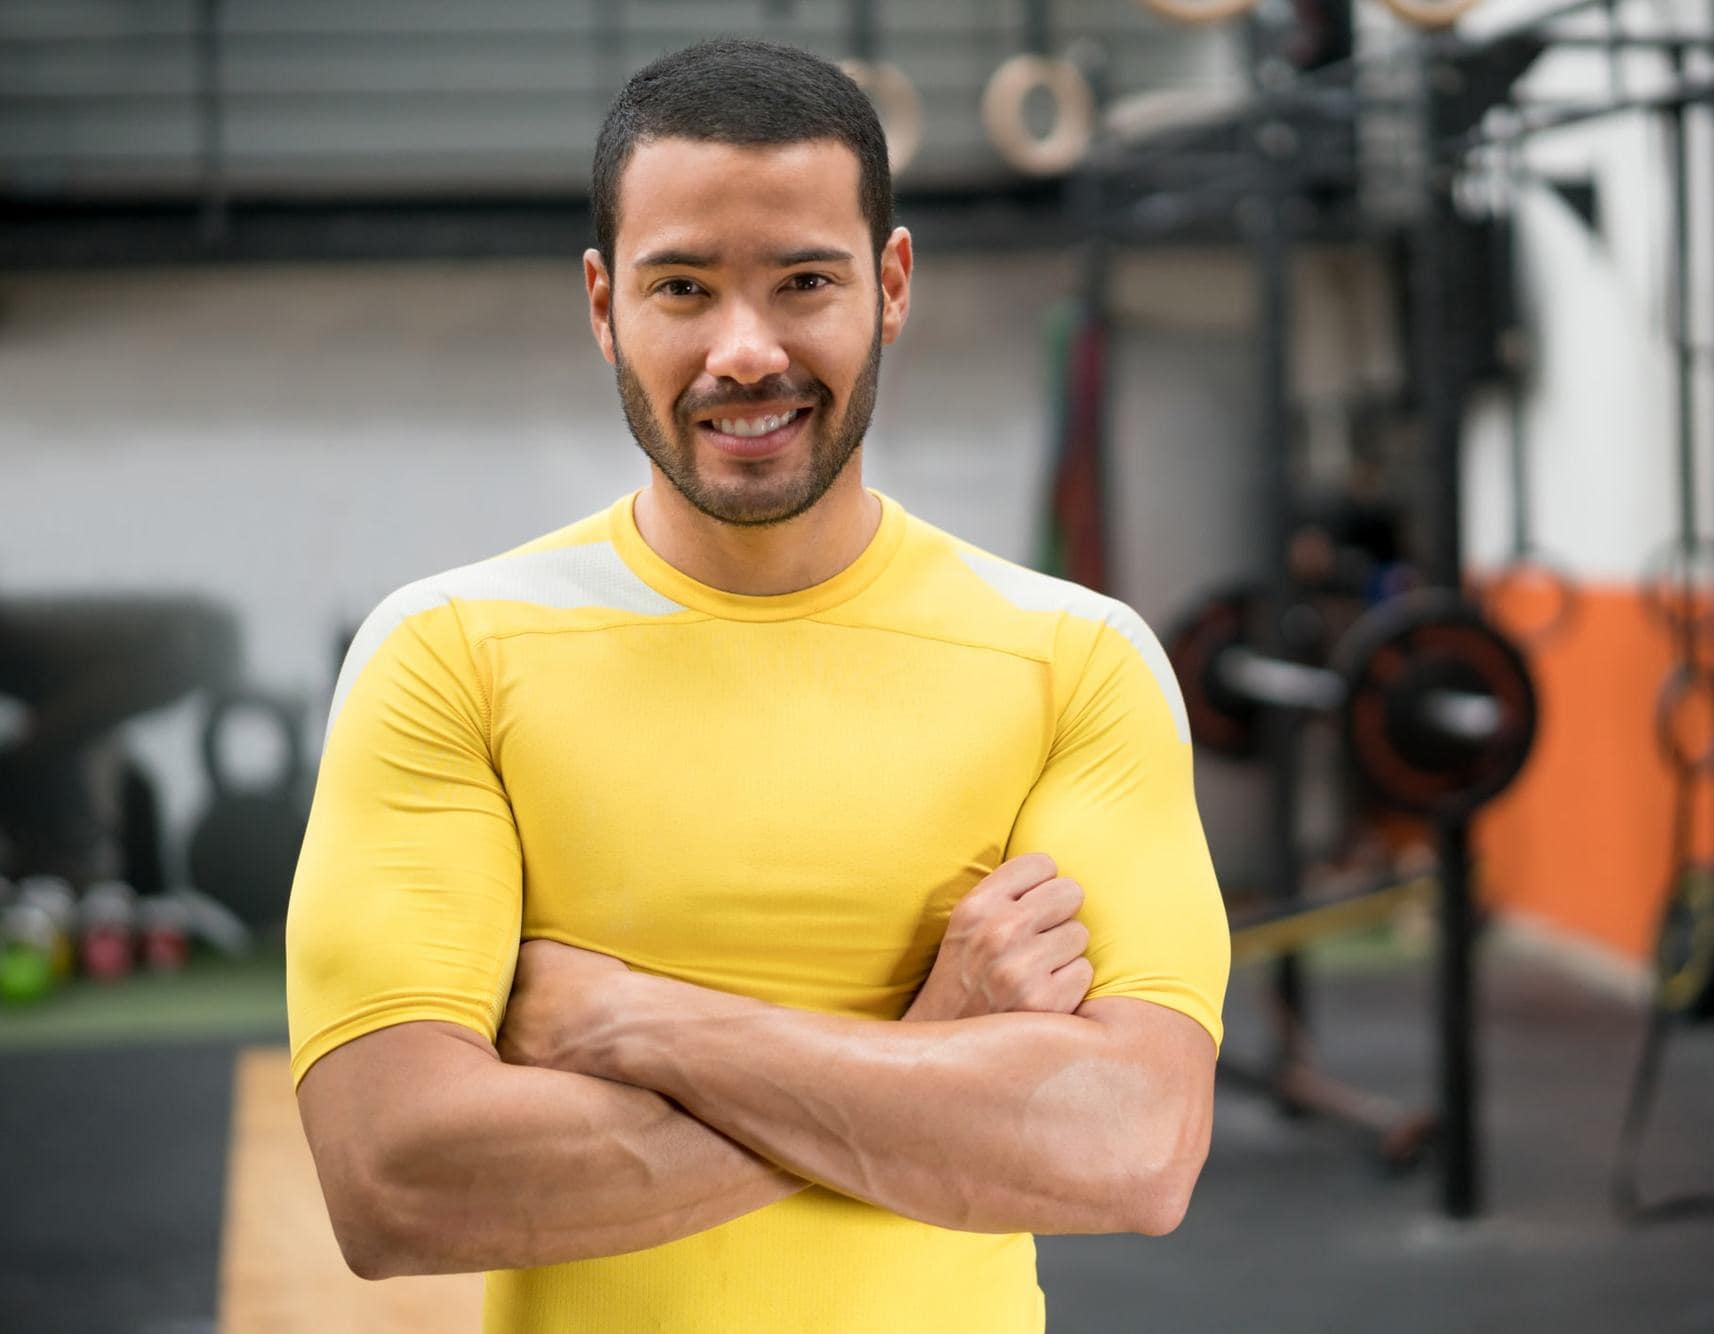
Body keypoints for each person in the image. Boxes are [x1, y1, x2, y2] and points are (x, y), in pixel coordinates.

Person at [287, 37, 1230, 1334]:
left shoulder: (1075, 662)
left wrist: (631, 1019)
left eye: (803, 282)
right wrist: (934, 1044)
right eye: (682, 288)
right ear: (603, 301)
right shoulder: (450, 654)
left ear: (890, 285)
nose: (745, 350)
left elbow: (1133, 1145)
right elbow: (392, 1180)